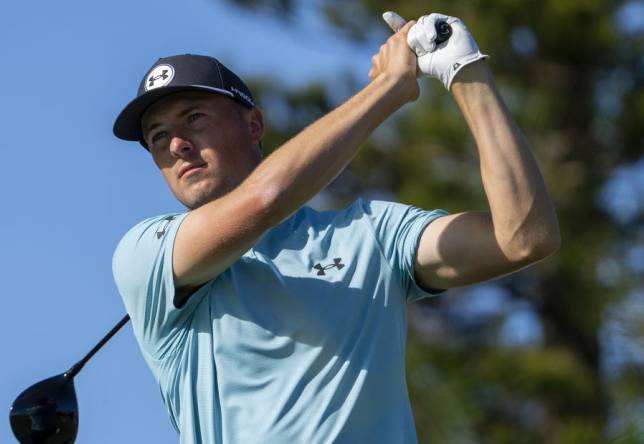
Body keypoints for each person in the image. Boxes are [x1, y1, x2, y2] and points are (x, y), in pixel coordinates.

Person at [111, 11, 560, 444]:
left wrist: (467, 75)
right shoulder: (147, 254)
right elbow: (262, 201)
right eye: (157, 136)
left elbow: (524, 238)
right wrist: (389, 87)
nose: (177, 145)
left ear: (254, 124)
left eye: (194, 117)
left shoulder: (372, 233)